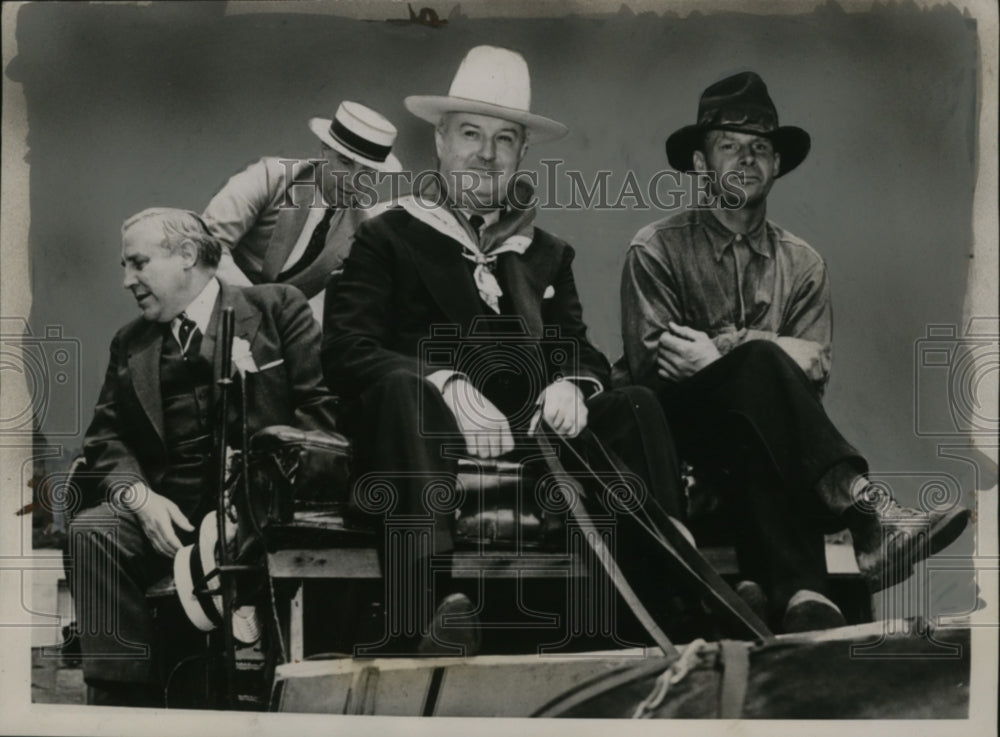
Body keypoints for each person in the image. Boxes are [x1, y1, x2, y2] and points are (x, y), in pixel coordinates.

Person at [322, 46, 688, 654]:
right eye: (470, 133)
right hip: (419, 432)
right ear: (440, 140)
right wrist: (442, 384)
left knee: (638, 404)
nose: (485, 153)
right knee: (403, 391)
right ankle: (429, 614)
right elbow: (346, 350)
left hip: (528, 434)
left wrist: (572, 383)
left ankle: (676, 594)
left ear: (522, 154)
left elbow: (581, 351)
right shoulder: (387, 235)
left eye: (504, 140)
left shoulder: (545, 252)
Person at [617, 71, 971, 632]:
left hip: (761, 443)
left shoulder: (803, 264)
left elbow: (810, 379)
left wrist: (720, 352)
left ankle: (805, 601)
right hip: (674, 438)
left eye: (760, 149)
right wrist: (754, 354)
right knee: (762, 368)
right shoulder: (656, 248)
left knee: (763, 413)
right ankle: (866, 509)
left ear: (777, 165)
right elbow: (652, 370)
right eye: (728, 146)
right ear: (701, 163)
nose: (746, 160)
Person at [67, 208, 339, 705]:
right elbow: (106, 438)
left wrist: (254, 508)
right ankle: (120, 702)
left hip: (258, 508)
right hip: (166, 513)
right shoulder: (130, 343)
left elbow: (317, 419)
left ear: (187, 255)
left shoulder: (278, 308)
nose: (127, 280)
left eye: (138, 263)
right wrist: (140, 498)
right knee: (93, 532)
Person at [201, 101, 402, 324]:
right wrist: (261, 307)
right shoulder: (269, 177)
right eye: (345, 163)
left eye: (368, 173)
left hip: (276, 333)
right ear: (324, 150)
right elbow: (208, 244)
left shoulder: (363, 225)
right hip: (213, 306)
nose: (354, 182)